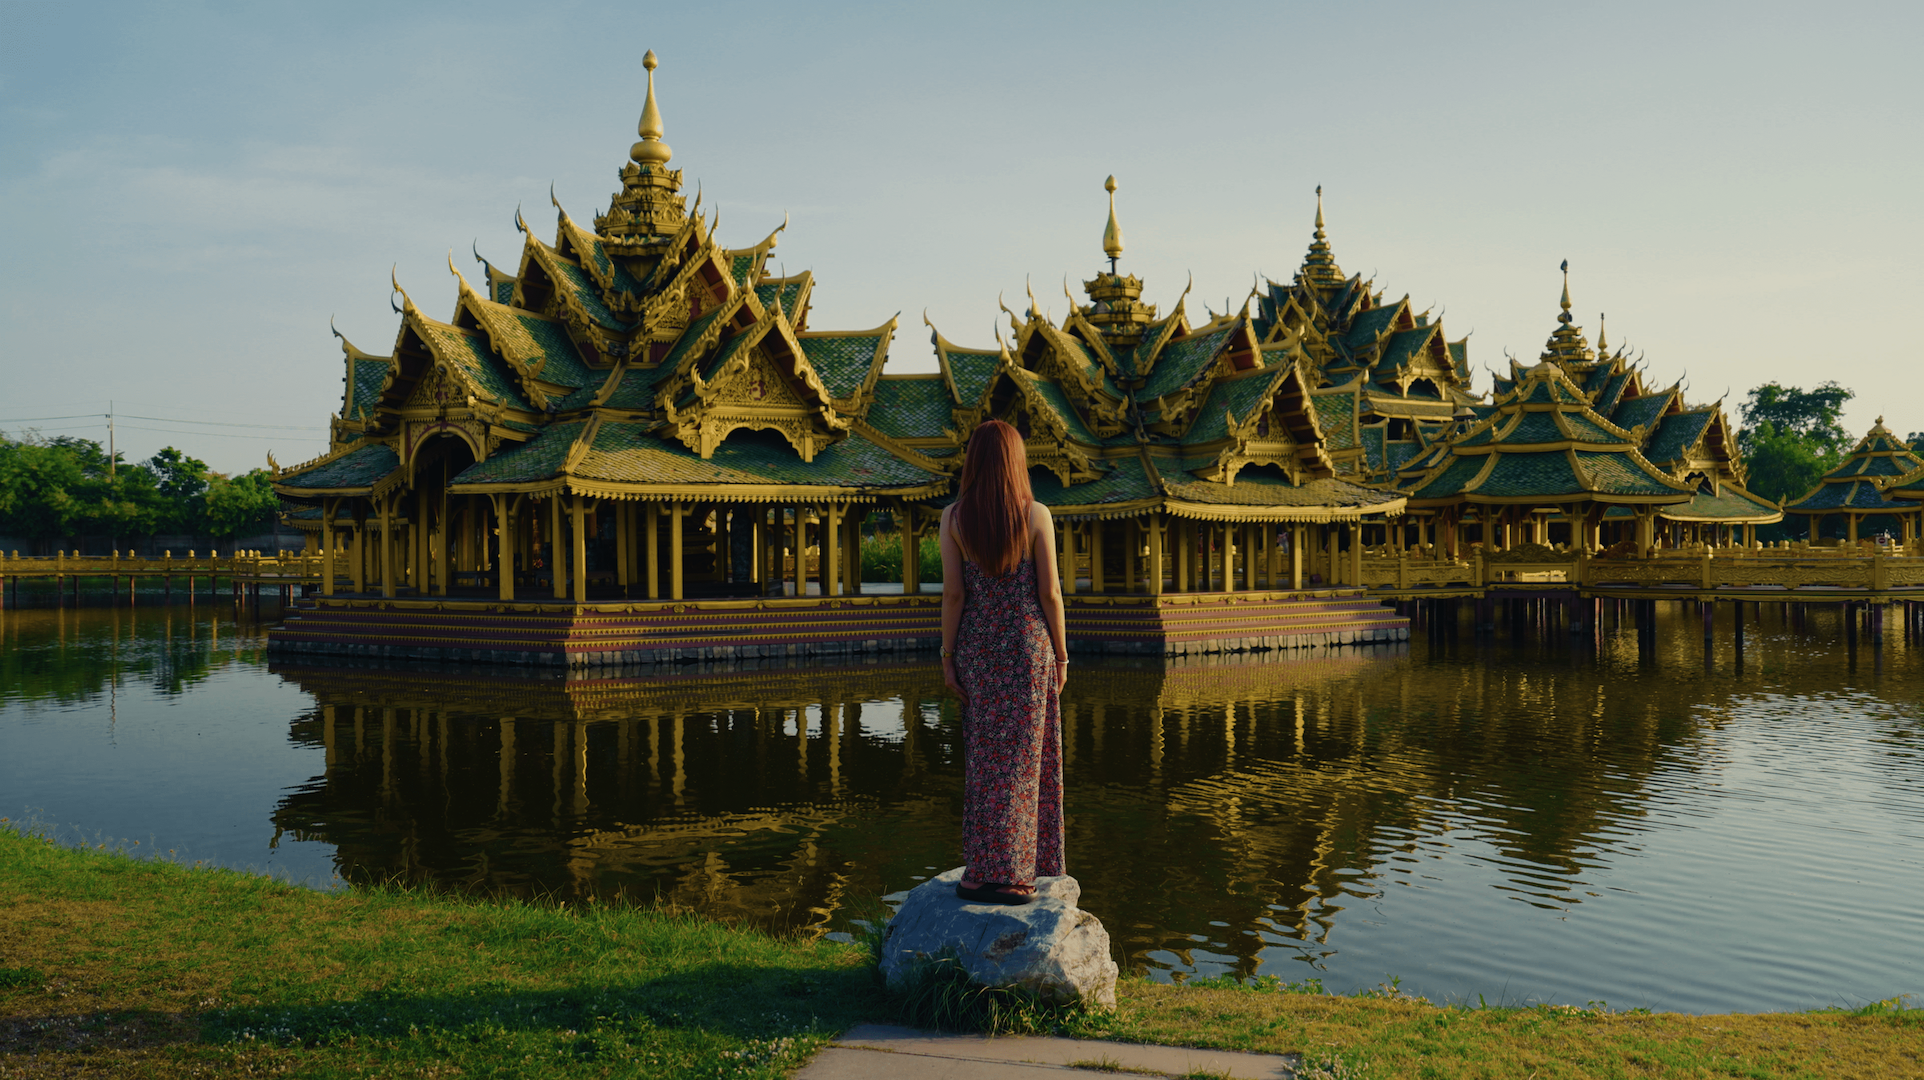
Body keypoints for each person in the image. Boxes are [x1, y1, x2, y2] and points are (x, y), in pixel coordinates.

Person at [939, 420, 1069, 906]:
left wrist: (948, 656)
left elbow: (954, 595)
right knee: (1026, 760)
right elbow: (1050, 593)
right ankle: (1020, 873)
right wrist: (1061, 652)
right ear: (1017, 461)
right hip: (1026, 649)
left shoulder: (952, 518)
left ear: (973, 460)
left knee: (984, 759)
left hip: (978, 648)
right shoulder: (1036, 514)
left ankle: (980, 873)